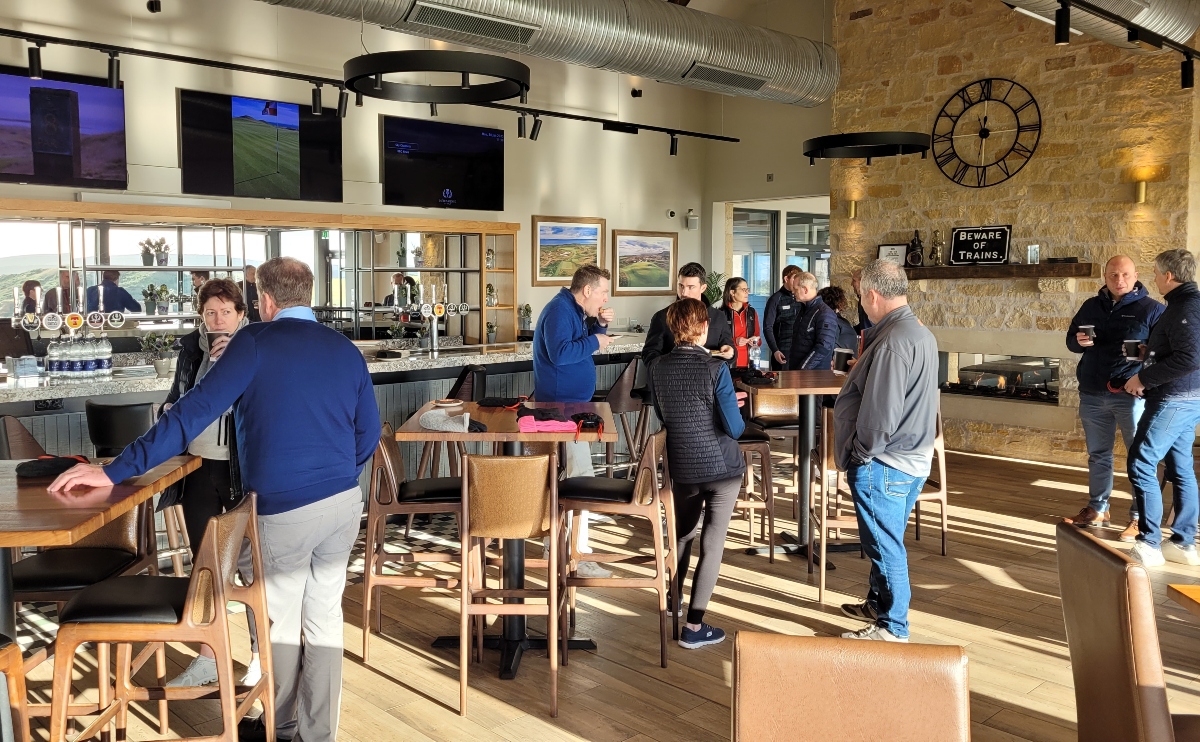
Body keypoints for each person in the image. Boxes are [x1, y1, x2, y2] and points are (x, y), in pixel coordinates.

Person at [50, 257, 380, 742]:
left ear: (265, 300)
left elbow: (191, 414)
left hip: (285, 510)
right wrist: (335, 477)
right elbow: (368, 432)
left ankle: (283, 729)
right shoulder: (344, 348)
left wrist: (113, 470)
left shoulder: (254, 342)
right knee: (325, 619)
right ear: (307, 294)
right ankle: (317, 735)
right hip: (344, 505)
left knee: (281, 623)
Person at [156, 278, 262, 688]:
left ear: (241, 315)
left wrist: (231, 365)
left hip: (240, 469)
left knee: (250, 566)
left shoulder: (255, 347)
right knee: (205, 565)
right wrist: (172, 405)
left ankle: (259, 655)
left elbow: (260, 406)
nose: (217, 320)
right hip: (197, 467)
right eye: (210, 313)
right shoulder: (191, 348)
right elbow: (177, 396)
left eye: (225, 312)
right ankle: (208, 657)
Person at [835, 260, 938, 642]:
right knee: (886, 539)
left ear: (874, 295)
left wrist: (861, 454)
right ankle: (877, 605)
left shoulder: (893, 341)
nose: (862, 303)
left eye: (862, 296)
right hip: (911, 458)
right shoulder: (919, 332)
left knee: (884, 546)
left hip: (886, 461)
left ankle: (893, 628)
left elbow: (880, 416)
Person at [649, 298, 745, 649]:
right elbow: (734, 429)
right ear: (704, 328)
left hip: (683, 467)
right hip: (722, 469)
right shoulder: (716, 368)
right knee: (713, 542)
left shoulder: (657, 368)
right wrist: (730, 407)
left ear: (672, 328)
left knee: (683, 535)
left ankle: (673, 602)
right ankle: (694, 626)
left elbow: (664, 416)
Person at [1064, 255, 1163, 540]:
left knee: (1140, 457)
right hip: (1092, 393)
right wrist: (1078, 342)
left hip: (1132, 396)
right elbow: (1071, 340)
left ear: (1136, 276)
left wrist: (1145, 356)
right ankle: (1098, 509)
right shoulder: (1090, 306)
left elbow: (1165, 354)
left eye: (1125, 274)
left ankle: (1140, 518)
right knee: (1098, 455)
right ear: (1105, 277)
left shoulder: (1153, 309)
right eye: (1113, 275)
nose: (1119, 280)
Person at [532, 264, 617, 579]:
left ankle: (559, 548)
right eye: (603, 292)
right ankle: (577, 558)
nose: (606, 298)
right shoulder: (559, 311)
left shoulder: (573, 310)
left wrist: (598, 326)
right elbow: (560, 354)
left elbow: (576, 343)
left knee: (570, 479)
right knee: (580, 479)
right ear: (587, 290)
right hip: (562, 411)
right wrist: (597, 341)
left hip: (570, 408)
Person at [1123, 249, 1200, 568]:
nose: (1153, 278)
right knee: (1180, 467)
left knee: (1141, 462)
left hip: (1174, 400)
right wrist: (1151, 352)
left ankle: (1149, 543)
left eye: (1155, 273)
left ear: (1169, 275)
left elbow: (1190, 358)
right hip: (1188, 399)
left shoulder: (1185, 307)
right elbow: (1184, 350)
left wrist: (1143, 377)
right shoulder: (1188, 304)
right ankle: (1182, 543)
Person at [643, 262, 734, 365]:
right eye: (681, 286)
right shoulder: (661, 317)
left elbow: (729, 348)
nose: (684, 293)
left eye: (691, 287)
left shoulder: (718, 316)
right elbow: (649, 354)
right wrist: (667, 369)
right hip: (672, 374)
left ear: (703, 288)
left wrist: (730, 352)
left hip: (711, 373)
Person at [786, 271, 838, 371]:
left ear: (805, 289)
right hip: (798, 372)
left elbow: (823, 347)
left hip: (814, 375)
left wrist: (802, 369)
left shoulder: (825, 313)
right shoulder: (804, 309)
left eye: (795, 289)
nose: (793, 292)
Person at [763, 265, 802, 370]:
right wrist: (775, 350)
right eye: (795, 278)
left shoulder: (802, 299)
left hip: (800, 352)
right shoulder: (775, 299)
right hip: (782, 351)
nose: (798, 282)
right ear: (786, 279)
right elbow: (767, 327)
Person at [720, 277, 760, 369]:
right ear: (732, 292)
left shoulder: (752, 312)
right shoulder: (721, 313)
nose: (747, 292)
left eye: (747, 289)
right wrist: (735, 341)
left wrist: (755, 340)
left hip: (750, 364)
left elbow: (758, 339)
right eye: (743, 290)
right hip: (728, 365)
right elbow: (717, 341)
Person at [818, 285, 860, 358]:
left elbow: (828, 348)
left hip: (840, 362)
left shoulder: (831, 321)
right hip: (849, 360)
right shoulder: (843, 322)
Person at [851, 268, 873, 334]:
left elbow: (868, 327)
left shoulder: (869, 300)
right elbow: (863, 324)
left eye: (854, 281)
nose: (851, 284)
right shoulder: (862, 298)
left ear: (862, 282)